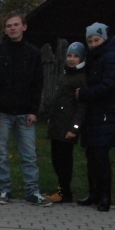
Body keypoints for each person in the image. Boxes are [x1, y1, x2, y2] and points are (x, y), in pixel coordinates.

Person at [0, 11, 46, 205]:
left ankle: (32, 192)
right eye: (9, 25)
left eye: (16, 25)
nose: (12, 28)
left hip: (25, 113)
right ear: (5, 29)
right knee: (1, 154)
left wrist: (34, 111)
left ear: (24, 27)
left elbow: (38, 84)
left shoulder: (33, 53)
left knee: (29, 155)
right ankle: (4, 190)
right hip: (2, 113)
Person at [76, 23, 115, 213]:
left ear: (104, 39)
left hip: (107, 114)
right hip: (94, 114)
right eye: (90, 41)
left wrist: (85, 94)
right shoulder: (93, 58)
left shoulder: (112, 57)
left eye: (96, 40)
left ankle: (105, 196)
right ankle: (94, 193)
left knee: (101, 157)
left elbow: (110, 85)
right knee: (91, 156)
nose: (93, 44)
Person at [43, 42, 87, 204]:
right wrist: (51, 118)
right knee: (56, 158)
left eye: (76, 56)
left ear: (82, 58)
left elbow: (81, 107)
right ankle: (61, 188)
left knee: (64, 160)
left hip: (67, 127)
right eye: (69, 55)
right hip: (57, 124)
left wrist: (74, 128)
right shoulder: (66, 75)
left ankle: (64, 192)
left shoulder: (81, 78)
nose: (72, 59)